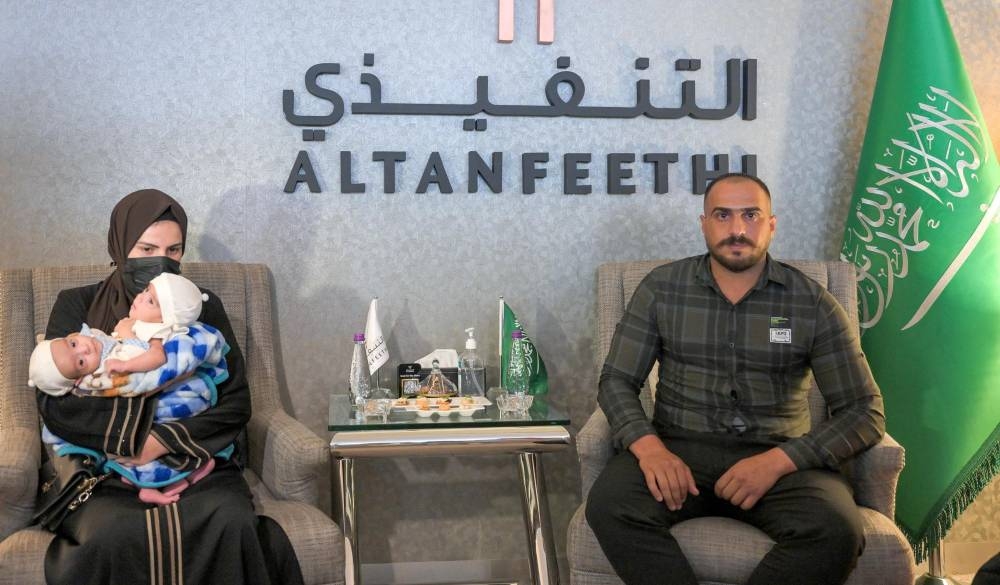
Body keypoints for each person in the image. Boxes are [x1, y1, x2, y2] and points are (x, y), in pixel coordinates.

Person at [586, 173, 886, 585]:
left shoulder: (812, 302)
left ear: (771, 224)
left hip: (781, 458)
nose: (737, 229)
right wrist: (650, 450)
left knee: (838, 530)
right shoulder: (662, 289)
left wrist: (778, 462)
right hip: (679, 449)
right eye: (723, 215)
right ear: (704, 224)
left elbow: (864, 411)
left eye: (751, 215)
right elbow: (616, 380)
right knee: (609, 505)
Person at [36, 188, 304, 585]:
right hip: (103, 471)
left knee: (231, 520)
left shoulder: (202, 307)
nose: (160, 261)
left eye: (173, 250)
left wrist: (160, 441)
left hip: (193, 462)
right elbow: (53, 401)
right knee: (108, 534)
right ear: (120, 245)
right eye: (146, 249)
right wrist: (131, 442)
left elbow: (235, 402)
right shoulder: (77, 304)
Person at [29, 272, 224, 505]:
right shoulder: (100, 369)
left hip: (156, 431)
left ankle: (174, 478)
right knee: (127, 459)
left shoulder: (99, 340)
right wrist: (129, 341)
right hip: (120, 436)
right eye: (80, 362)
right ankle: (154, 483)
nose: (84, 349)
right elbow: (143, 365)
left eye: (73, 343)